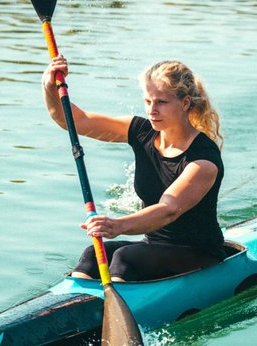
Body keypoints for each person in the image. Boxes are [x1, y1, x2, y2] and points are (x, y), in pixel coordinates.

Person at [42, 56, 225, 282]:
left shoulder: (203, 159)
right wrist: (49, 85)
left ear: (185, 103)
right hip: (154, 247)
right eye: (148, 101)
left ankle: (117, 298)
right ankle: (78, 299)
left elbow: (169, 209)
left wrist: (117, 225)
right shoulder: (141, 131)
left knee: (124, 259)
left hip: (199, 253)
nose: (152, 110)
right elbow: (75, 121)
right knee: (92, 255)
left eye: (161, 102)